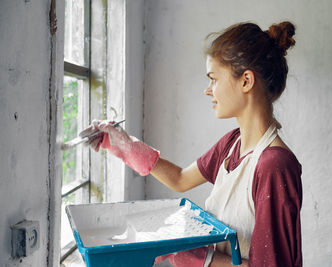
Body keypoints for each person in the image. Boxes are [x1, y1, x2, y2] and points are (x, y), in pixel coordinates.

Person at [80, 21, 302, 267]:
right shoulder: (232, 143)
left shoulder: (274, 165)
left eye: (214, 79)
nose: (208, 90)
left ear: (246, 81)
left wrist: (202, 259)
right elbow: (180, 179)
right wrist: (124, 145)